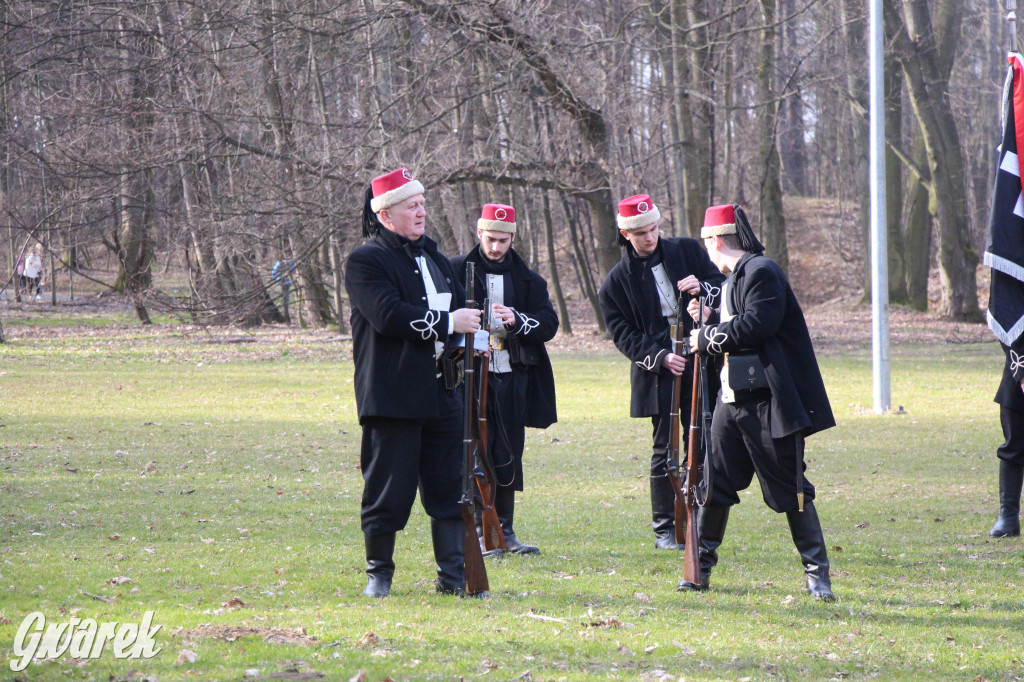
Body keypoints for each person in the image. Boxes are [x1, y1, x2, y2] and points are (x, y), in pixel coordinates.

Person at [678, 204, 836, 601]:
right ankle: (700, 570)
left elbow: (756, 325)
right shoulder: (735, 279)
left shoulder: (762, 271)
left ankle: (817, 574)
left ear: (716, 241)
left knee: (790, 488)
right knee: (713, 484)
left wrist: (707, 338)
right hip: (731, 400)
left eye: (707, 245)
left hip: (768, 404)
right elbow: (739, 324)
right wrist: (710, 319)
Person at [344, 167, 483, 597]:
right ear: (386, 215)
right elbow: (387, 316)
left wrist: (471, 336)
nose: (422, 212)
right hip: (393, 394)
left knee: (449, 487)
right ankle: (379, 574)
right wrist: (450, 322)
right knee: (388, 488)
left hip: (445, 391)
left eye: (422, 204)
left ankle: (453, 577)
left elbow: (458, 314)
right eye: (412, 206)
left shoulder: (437, 258)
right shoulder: (366, 261)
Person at [598, 194, 725, 550]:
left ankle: (698, 517)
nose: (650, 237)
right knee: (664, 448)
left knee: (702, 440)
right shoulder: (614, 283)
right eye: (641, 233)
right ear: (626, 235)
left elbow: (720, 286)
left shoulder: (687, 251)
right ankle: (664, 529)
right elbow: (622, 334)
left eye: (653, 229)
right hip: (659, 373)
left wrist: (703, 294)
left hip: (700, 360)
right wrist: (661, 357)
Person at [450, 203, 558, 555]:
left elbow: (548, 323)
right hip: (468, 375)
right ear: (479, 233)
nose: (496, 247)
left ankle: (505, 531)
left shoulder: (530, 280)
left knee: (508, 451)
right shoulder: (455, 270)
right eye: (490, 239)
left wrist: (517, 319)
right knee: (475, 450)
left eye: (503, 240)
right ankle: (479, 530)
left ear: (513, 238)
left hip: (512, 376)